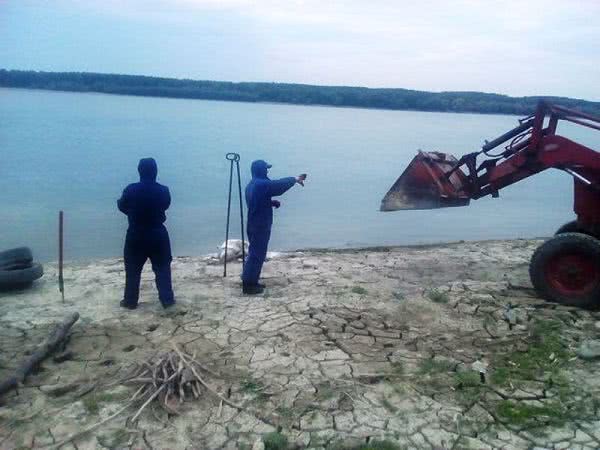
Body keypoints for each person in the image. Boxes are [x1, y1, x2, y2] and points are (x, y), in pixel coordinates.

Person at [117, 158, 175, 310]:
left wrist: (133, 212)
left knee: (133, 270)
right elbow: (166, 205)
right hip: (158, 233)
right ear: (155, 172)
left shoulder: (130, 189)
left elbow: (122, 205)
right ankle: (167, 300)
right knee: (162, 268)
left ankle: (130, 301)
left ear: (139, 171)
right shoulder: (163, 190)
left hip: (136, 233)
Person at [242, 160, 306, 294]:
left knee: (254, 252)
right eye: (266, 169)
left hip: (253, 223)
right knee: (257, 254)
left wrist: (270, 202)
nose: (267, 171)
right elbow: (278, 186)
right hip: (260, 224)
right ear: (260, 170)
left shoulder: (251, 185)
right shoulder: (262, 184)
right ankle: (249, 285)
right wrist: (294, 179)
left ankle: (248, 277)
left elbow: (256, 202)